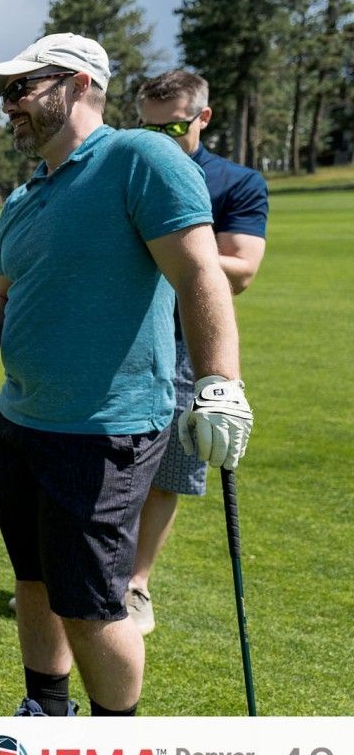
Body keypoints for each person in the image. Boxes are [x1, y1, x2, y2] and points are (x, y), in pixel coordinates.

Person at [0, 33, 252, 717]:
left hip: (102, 431)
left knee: (90, 605)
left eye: (22, 88)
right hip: (21, 419)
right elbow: (7, 294)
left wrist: (220, 382)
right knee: (33, 581)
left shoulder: (138, 157)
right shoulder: (24, 197)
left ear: (78, 83)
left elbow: (200, 272)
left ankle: (116, 749)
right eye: (7, 94)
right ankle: (46, 709)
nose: (9, 106)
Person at [125, 70, 269, 634]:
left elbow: (243, 269)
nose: (161, 138)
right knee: (103, 460)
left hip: (189, 342)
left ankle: (136, 586)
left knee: (169, 471)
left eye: (176, 126)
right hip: (123, 334)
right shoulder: (129, 167)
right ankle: (86, 580)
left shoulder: (236, 182)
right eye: (148, 127)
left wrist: (171, 244)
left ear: (204, 118)